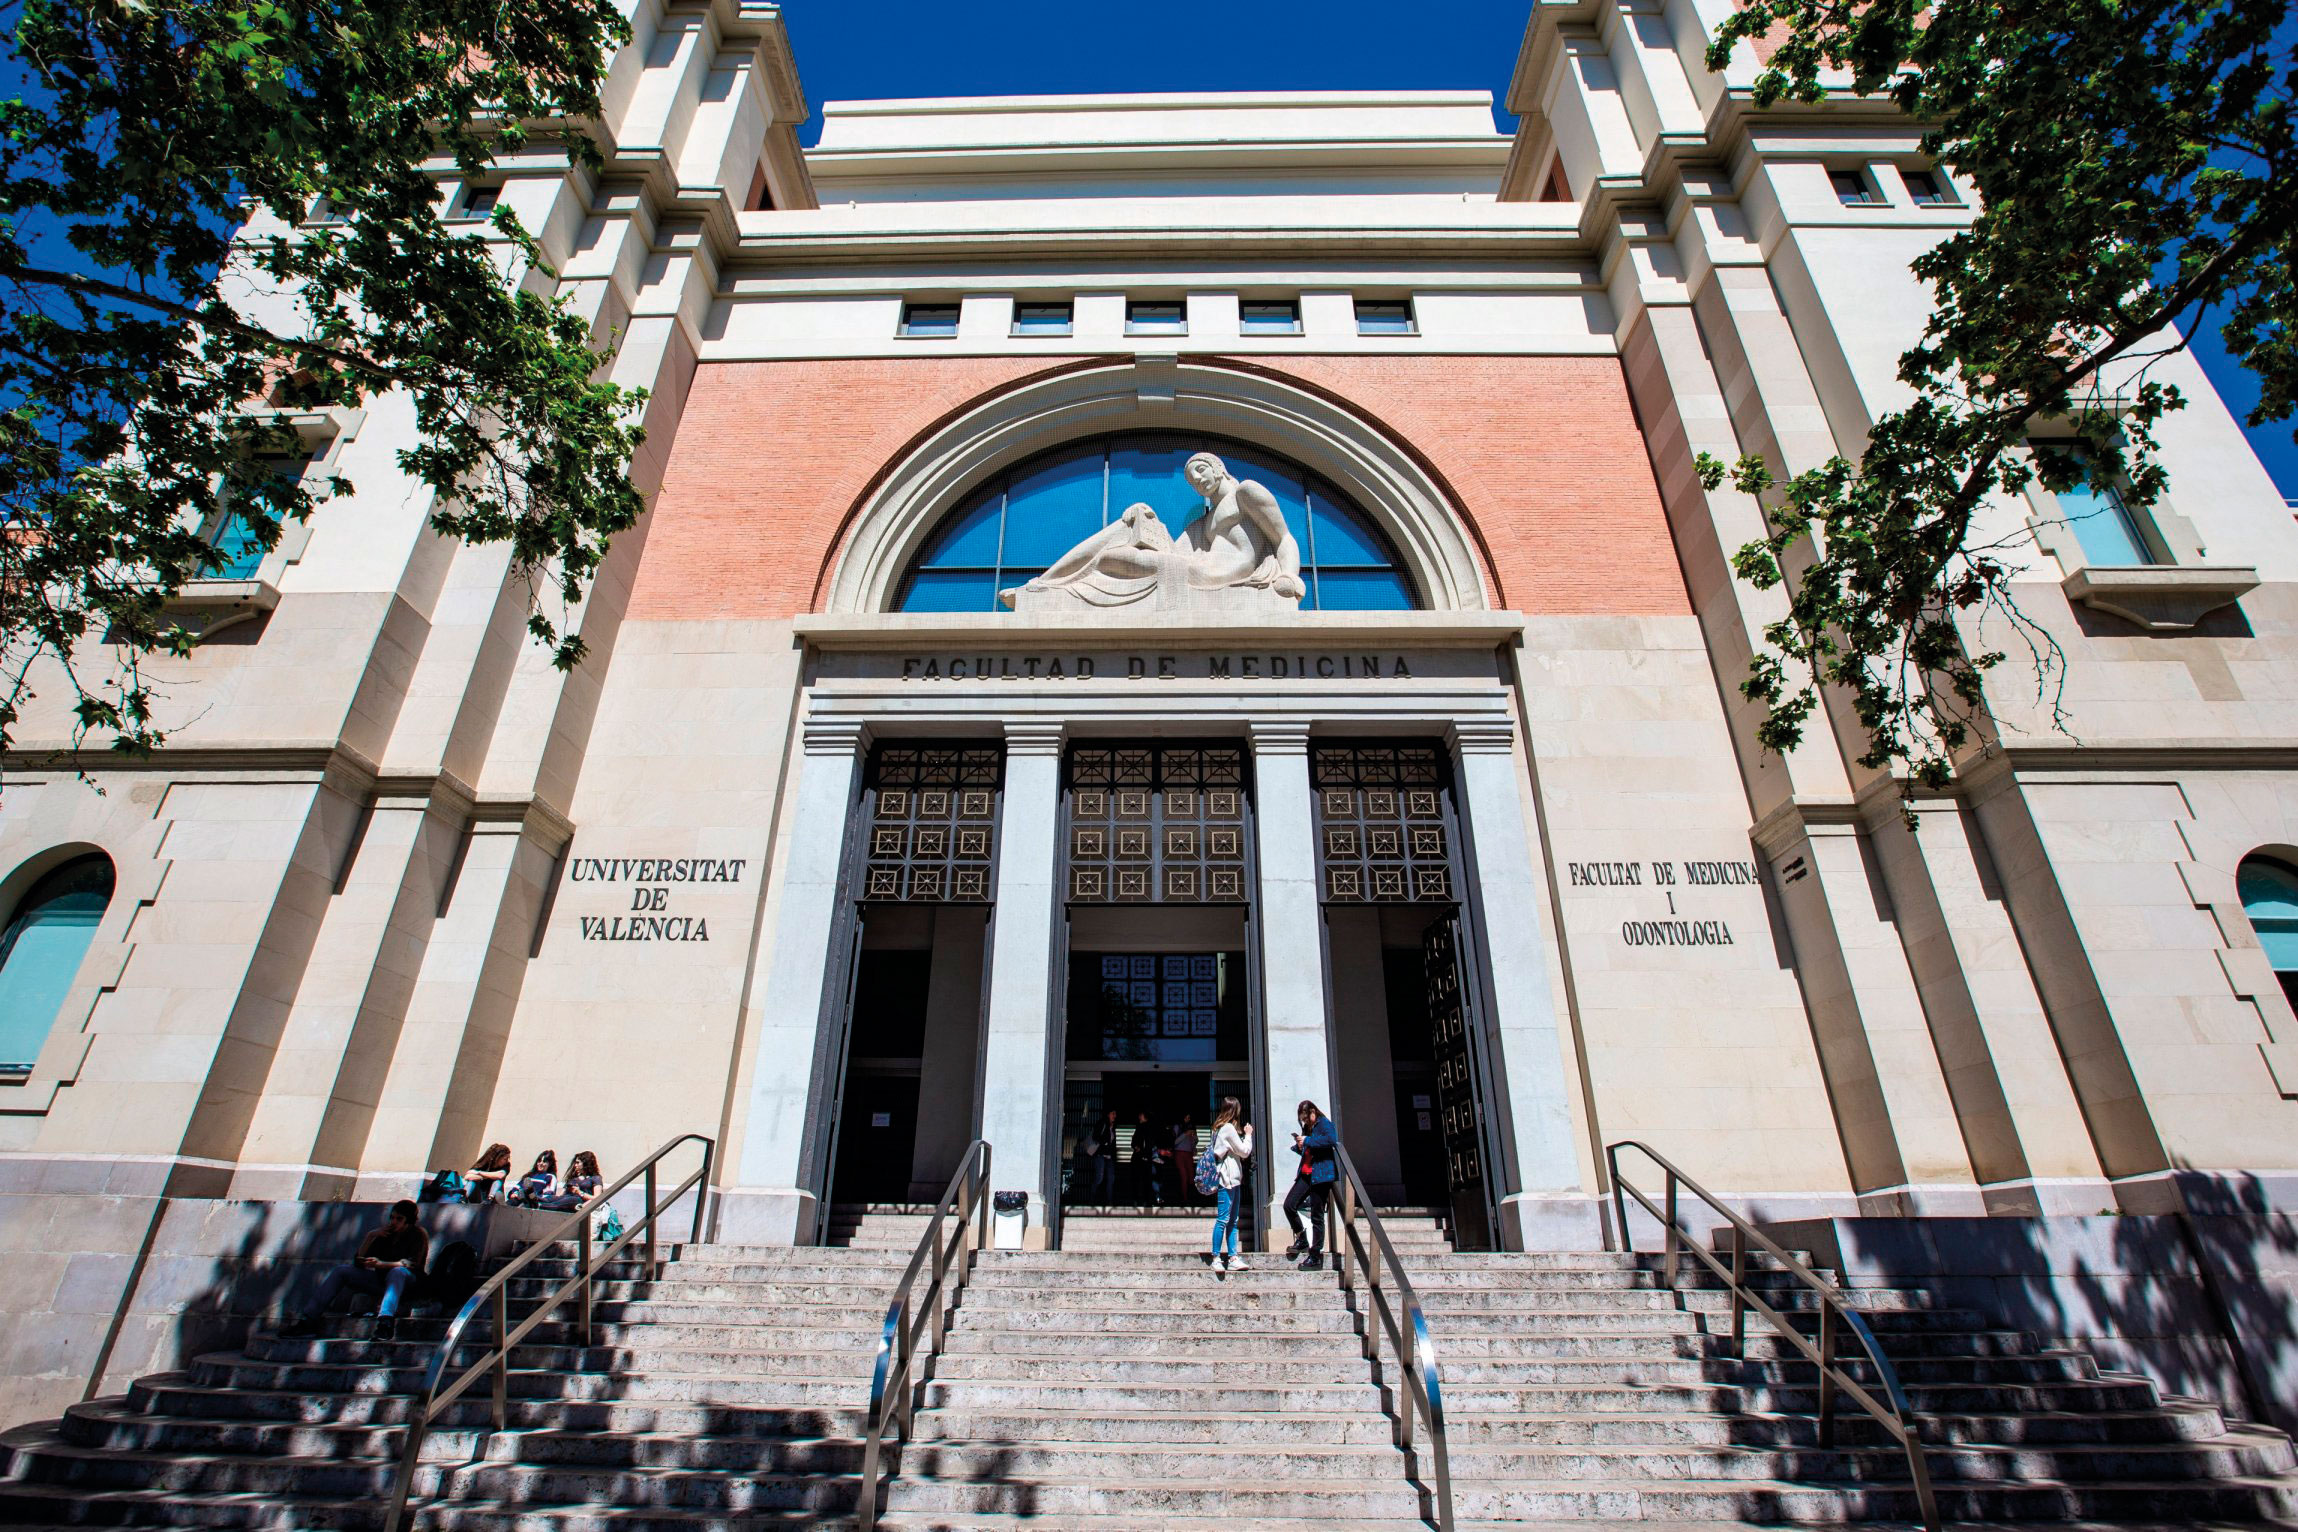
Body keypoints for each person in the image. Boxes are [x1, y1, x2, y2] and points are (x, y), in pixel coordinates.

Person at [280, 1200, 429, 1341]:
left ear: (408, 1221)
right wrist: (370, 1236)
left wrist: (383, 1264)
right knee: (341, 1271)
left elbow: (411, 1264)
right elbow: (358, 1261)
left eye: (399, 1219)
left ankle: (385, 1322)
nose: (393, 1222)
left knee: (397, 1272)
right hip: (383, 1281)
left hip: (407, 1283)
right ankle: (308, 1321)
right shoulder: (386, 1234)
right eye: (392, 1218)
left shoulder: (418, 1234)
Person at [1284, 1100, 1340, 1269]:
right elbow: (1310, 1147)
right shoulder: (1309, 1128)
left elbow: (1331, 1140)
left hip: (1321, 1175)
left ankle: (1315, 1256)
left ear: (1313, 1111)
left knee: (1317, 1215)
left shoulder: (1324, 1123)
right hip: (1306, 1173)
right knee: (1289, 1205)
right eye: (1303, 1120)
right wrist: (1299, 1146)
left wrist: (1308, 1140)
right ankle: (1302, 1237)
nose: (1305, 1122)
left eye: (1306, 1118)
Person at [1206, 1096, 1253, 1273]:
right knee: (1225, 1219)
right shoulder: (1227, 1129)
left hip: (1231, 1179)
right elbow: (1244, 1152)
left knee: (1232, 1220)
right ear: (1235, 1110)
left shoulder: (1218, 1128)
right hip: (1227, 1180)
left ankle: (1232, 1256)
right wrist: (1248, 1135)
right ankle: (1217, 1257)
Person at [537, 1150, 603, 1212]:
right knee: (551, 1198)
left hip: (578, 1201)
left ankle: (539, 1206)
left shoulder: (595, 1178)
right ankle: (532, 1198)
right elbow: (562, 1194)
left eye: (577, 1163)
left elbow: (597, 1198)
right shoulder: (574, 1177)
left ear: (586, 1163)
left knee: (565, 1201)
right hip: (566, 1197)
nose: (575, 1165)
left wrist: (579, 1192)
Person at [1129, 1111, 1159, 1206]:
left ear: (1145, 1117)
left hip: (1141, 1157)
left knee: (1138, 1180)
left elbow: (1136, 1142)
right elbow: (1137, 1143)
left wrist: (1138, 1148)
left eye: (1141, 1115)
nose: (1139, 1116)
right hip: (1144, 1157)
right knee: (1145, 1180)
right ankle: (1145, 1201)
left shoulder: (1144, 1127)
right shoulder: (1146, 1127)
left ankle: (1138, 1200)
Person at [1170, 1114, 1198, 1205]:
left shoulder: (1192, 1126)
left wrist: (1194, 1138)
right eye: (1186, 1117)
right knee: (1184, 1176)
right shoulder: (1177, 1126)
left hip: (1189, 1154)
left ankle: (1190, 1197)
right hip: (1179, 1153)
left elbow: (1195, 1141)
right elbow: (1174, 1142)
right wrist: (1185, 1134)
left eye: (1189, 1117)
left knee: (1191, 1176)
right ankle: (1184, 1198)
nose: (1188, 1119)